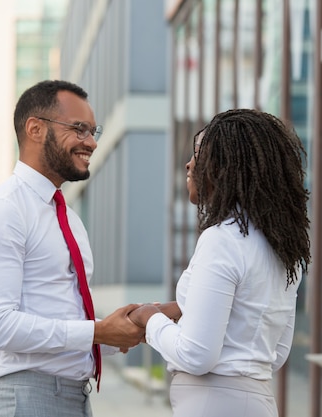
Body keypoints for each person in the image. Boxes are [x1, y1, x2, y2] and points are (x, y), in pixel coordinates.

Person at [0, 80, 145, 417]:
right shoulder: (4, 211)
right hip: (23, 400)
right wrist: (97, 330)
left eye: (93, 131)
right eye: (79, 129)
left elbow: (62, 316)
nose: (91, 142)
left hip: (71, 399)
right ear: (35, 129)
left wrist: (118, 332)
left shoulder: (69, 219)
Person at [129, 109, 311, 417]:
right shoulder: (282, 247)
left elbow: (197, 355)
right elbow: (275, 353)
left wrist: (149, 319)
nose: (189, 164)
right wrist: (177, 309)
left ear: (225, 167)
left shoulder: (221, 240)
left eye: (198, 154)